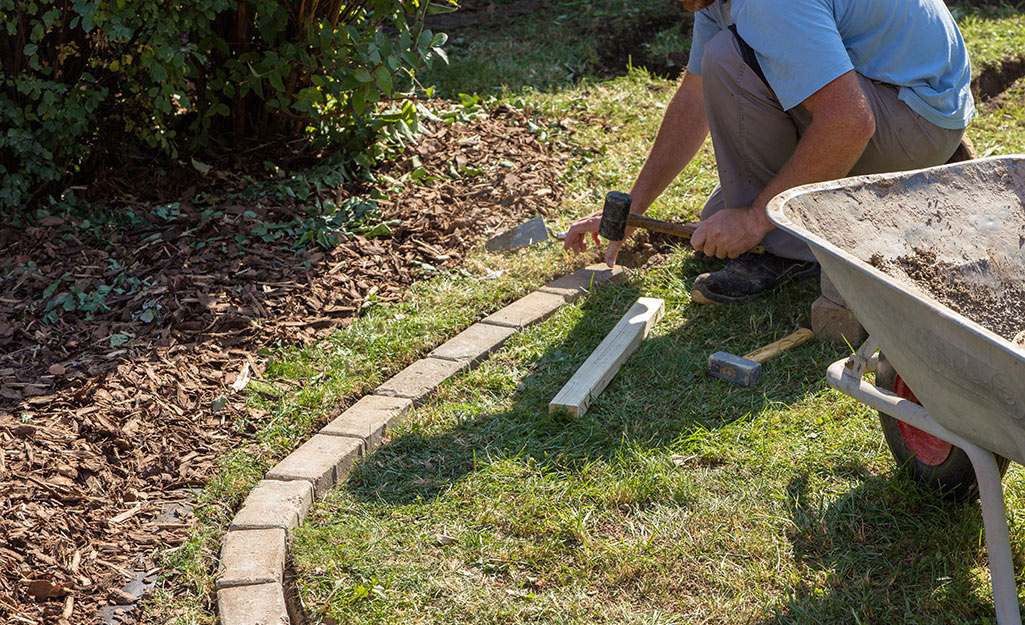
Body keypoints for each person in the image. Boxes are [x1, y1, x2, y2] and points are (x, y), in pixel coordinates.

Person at [563, 0, 974, 304]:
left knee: (730, 58)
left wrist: (755, 221)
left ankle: (782, 252)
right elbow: (692, 102)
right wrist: (633, 209)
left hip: (915, 119)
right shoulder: (718, 3)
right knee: (715, 218)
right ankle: (898, 185)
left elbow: (850, 122)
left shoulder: (768, 4)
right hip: (917, 104)